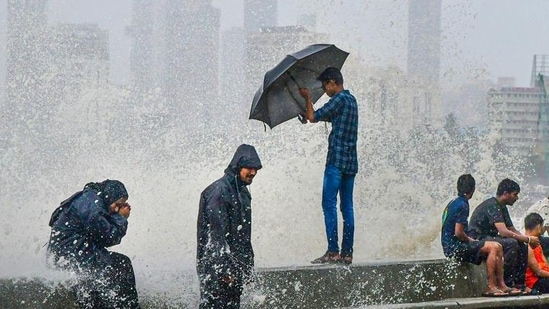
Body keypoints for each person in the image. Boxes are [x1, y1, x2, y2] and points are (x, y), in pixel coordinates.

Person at [47, 179, 140, 309]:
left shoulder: (89, 198)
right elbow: (109, 237)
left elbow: (99, 237)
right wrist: (121, 218)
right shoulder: (94, 207)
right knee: (122, 263)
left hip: (67, 256)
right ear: (109, 196)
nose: (117, 209)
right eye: (117, 204)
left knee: (99, 285)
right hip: (74, 256)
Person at [298, 67, 358, 265]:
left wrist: (307, 98)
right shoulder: (351, 101)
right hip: (350, 162)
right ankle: (347, 253)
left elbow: (315, 117)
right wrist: (308, 114)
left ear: (333, 82)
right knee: (347, 207)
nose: (325, 90)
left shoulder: (338, 99)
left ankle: (333, 251)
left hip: (336, 163)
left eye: (325, 86)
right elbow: (321, 116)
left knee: (329, 204)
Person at [196, 144, 262, 308]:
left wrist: (248, 269)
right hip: (216, 269)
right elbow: (216, 235)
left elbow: (244, 237)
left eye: (256, 168)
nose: (253, 172)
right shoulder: (219, 191)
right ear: (238, 166)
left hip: (234, 268)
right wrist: (224, 269)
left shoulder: (244, 193)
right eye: (249, 167)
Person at [441, 174, 517, 296]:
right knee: (494, 247)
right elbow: (458, 232)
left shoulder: (453, 202)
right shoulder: (463, 205)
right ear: (473, 189)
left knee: (497, 245)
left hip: (448, 245)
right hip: (454, 248)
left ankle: (502, 285)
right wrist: (471, 240)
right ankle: (491, 287)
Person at [468, 178, 540, 294]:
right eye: (515, 195)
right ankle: (506, 283)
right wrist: (528, 238)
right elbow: (503, 232)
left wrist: (526, 240)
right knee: (511, 243)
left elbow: (512, 229)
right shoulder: (492, 205)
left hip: (489, 237)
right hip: (478, 238)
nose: (517, 198)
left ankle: (519, 284)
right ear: (505, 194)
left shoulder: (502, 206)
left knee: (521, 244)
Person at [525, 212, 549, 294]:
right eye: (542, 226)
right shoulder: (526, 246)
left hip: (544, 278)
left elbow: (545, 265)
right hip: (534, 283)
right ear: (539, 226)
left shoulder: (537, 244)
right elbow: (538, 272)